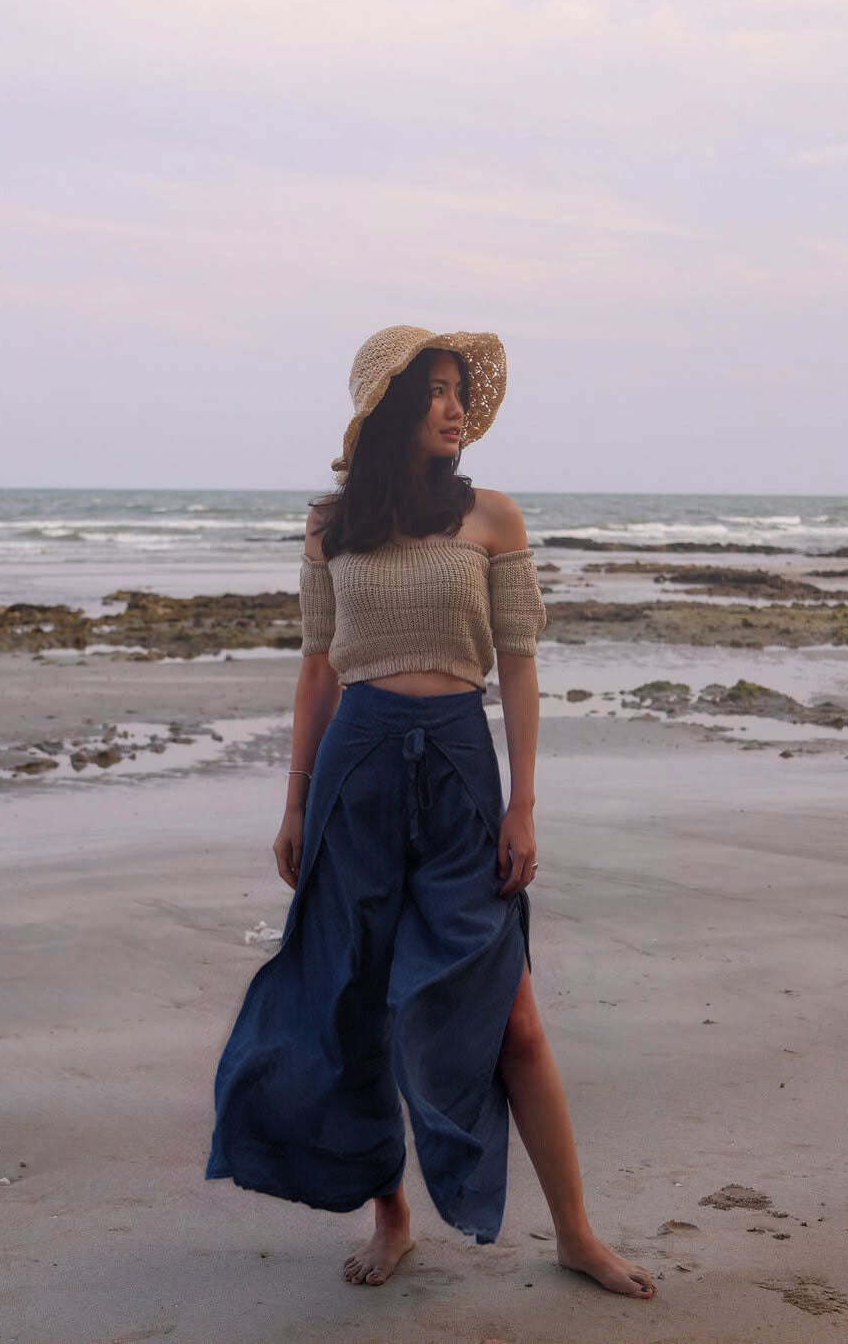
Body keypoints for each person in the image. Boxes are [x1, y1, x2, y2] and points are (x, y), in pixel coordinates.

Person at [207, 325, 655, 1301]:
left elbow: (524, 666)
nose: (456, 410)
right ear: (391, 413)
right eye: (437, 393)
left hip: (459, 769)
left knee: (515, 1016)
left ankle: (576, 1230)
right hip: (355, 771)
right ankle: (393, 1217)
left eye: (459, 392)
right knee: (358, 1001)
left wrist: (524, 802)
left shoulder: (494, 517)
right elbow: (318, 671)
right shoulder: (333, 526)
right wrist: (293, 801)